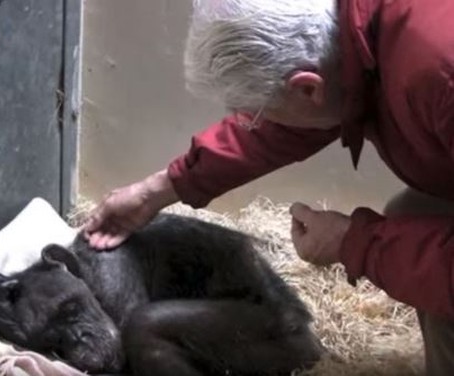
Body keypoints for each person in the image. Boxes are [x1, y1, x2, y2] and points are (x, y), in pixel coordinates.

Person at [83, 0, 454, 374]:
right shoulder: (354, 32)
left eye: (260, 110)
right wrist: (161, 188)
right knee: (413, 214)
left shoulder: (439, 76)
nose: (257, 120)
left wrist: (353, 242)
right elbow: (274, 131)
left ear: (308, 89)